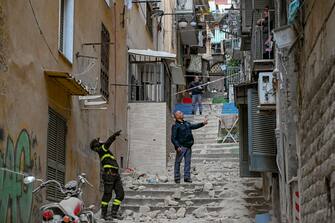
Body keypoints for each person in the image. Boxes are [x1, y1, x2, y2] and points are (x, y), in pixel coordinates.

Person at [90, 130, 124, 220]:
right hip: (109, 175)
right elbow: (108, 142)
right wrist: (114, 136)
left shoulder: (105, 151)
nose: (101, 141)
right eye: (99, 141)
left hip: (115, 175)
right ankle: (104, 215)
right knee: (107, 195)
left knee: (120, 194)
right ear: (97, 146)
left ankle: (113, 213)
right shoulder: (102, 149)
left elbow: (106, 143)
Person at [171, 111, 208, 183]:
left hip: (188, 146)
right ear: (177, 116)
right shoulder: (175, 126)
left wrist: (203, 123)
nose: (182, 114)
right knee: (178, 162)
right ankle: (177, 177)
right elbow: (173, 138)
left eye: (182, 113)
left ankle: (187, 177)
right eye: (180, 113)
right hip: (181, 147)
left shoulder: (186, 123)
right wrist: (177, 146)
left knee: (188, 162)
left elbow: (194, 126)